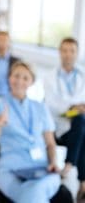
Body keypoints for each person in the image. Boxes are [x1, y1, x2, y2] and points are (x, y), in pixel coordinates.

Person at [0, 61, 61, 203]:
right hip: (10, 169)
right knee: (34, 193)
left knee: (36, 190)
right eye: (16, 76)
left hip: (42, 167)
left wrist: (53, 162)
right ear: (9, 78)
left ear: (31, 82)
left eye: (25, 78)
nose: (20, 81)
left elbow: (50, 143)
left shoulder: (40, 107)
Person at [44, 37, 85, 201]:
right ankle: (82, 182)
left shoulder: (83, 75)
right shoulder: (49, 77)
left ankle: (70, 169)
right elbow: (52, 105)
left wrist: (76, 108)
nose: (68, 55)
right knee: (81, 122)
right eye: (65, 51)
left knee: (81, 123)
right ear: (60, 53)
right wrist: (73, 108)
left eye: (72, 51)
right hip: (58, 128)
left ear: (77, 53)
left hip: (78, 126)